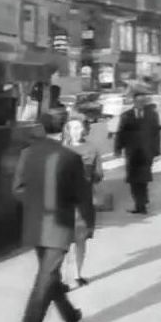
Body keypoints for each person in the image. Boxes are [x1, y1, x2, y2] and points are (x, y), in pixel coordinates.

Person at [13, 113, 95, 322]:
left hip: (34, 225)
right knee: (44, 283)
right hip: (59, 228)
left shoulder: (27, 154)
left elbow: (17, 189)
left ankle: (71, 315)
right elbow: (83, 196)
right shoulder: (70, 158)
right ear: (63, 130)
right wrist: (88, 223)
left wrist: (34, 205)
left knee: (48, 278)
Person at [61, 115, 102, 288]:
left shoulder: (92, 149)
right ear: (67, 131)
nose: (78, 131)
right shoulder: (61, 150)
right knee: (62, 243)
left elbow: (98, 174)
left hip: (84, 202)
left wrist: (90, 181)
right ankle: (62, 278)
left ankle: (78, 274)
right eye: (74, 128)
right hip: (64, 203)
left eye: (80, 128)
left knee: (81, 240)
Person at [114, 89, 161, 214]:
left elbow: (156, 133)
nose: (141, 103)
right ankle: (139, 203)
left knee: (144, 179)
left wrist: (156, 151)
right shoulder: (126, 115)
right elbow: (121, 133)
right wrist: (118, 148)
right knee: (133, 179)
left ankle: (142, 203)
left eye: (143, 101)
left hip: (147, 152)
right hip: (132, 153)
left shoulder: (152, 115)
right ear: (133, 101)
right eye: (138, 101)